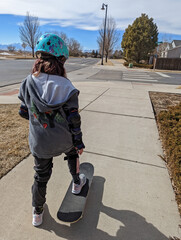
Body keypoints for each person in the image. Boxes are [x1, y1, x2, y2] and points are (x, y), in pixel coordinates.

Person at [18, 33, 86, 227]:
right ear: (60, 61)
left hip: (40, 143)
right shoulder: (67, 86)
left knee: (41, 176)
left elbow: (24, 112)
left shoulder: (28, 82)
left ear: (39, 59)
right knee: (72, 153)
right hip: (63, 140)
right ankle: (76, 183)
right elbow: (74, 119)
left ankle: (37, 213)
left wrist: (39, 119)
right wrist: (78, 142)